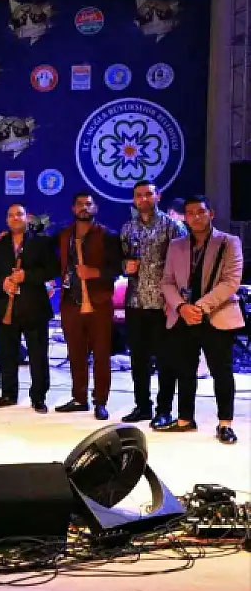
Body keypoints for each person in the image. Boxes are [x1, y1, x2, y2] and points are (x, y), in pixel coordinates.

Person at [158, 195, 241, 444]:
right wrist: (182, 307)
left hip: (216, 314)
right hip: (183, 316)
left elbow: (231, 282)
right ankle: (185, 419)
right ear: (185, 217)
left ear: (211, 213)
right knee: (185, 370)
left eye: (200, 211)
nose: (196, 217)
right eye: (190, 213)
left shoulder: (229, 242)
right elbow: (167, 282)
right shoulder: (176, 245)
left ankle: (225, 424)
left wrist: (199, 307)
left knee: (221, 372)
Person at [120, 181, 185, 424]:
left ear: (158, 196)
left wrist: (177, 301)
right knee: (139, 359)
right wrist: (124, 266)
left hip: (163, 304)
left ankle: (164, 410)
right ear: (134, 199)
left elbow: (184, 265)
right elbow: (121, 259)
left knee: (166, 360)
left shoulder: (173, 226)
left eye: (148, 194)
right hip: (135, 302)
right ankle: (142, 406)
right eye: (139, 195)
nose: (144, 199)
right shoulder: (128, 227)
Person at [0, 203, 57, 413]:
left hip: (34, 308)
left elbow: (52, 270)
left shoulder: (41, 242)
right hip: (6, 308)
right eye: (11, 215)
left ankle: (38, 397)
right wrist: (3, 283)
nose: (15, 218)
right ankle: (8, 394)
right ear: (7, 220)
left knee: (38, 356)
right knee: (7, 354)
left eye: (19, 214)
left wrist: (27, 276)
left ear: (27, 217)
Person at [54, 192, 123, 421]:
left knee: (102, 355)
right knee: (75, 353)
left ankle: (100, 401)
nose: (84, 207)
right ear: (73, 209)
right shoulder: (64, 235)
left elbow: (118, 268)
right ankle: (79, 398)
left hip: (99, 303)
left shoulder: (108, 235)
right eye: (80, 204)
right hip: (71, 303)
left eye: (89, 204)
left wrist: (95, 272)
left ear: (96, 208)